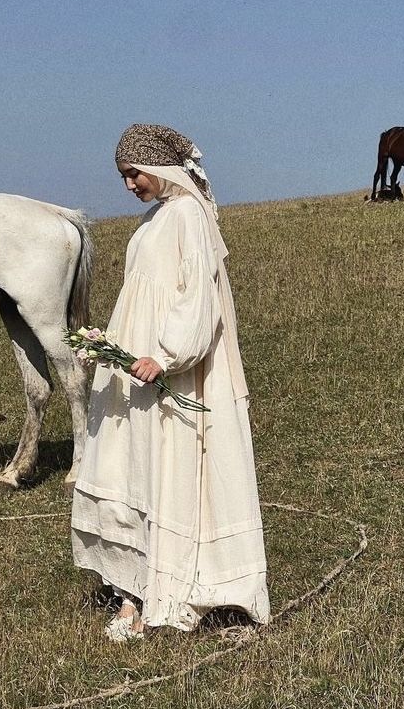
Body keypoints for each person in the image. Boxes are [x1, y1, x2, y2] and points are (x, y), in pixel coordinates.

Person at [71, 124, 270, 641]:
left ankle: (192, 592)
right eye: (123, 176)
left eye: (133, 173)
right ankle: (135, 592)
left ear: (158, 167)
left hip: (171, 367)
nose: (129, 185)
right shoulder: (156, 218)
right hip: (136, 367)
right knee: (136, 467)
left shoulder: (188, 216)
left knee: (178, 469)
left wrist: (165, 354)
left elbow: (196, 299)